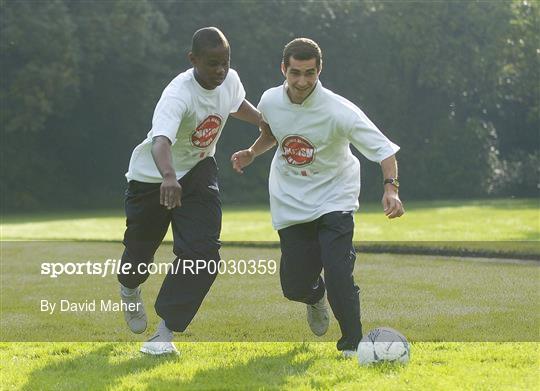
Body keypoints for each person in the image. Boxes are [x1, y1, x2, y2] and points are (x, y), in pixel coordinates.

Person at [231, 38, 404, 358]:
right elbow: (271, 132)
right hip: (290, 200)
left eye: (309, 73)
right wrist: (253, 153)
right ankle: (313, 297)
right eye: (295, 72)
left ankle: (352, 344)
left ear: (319, 70)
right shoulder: (269, 100)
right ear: (283, 68)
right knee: (294, 286)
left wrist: (390, 189)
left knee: (339, 273)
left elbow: (384, 151)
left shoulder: (340, 111)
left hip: (335, 198)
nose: (302, 81)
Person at [118, 27, 265, 355]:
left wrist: (264, 123)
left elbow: (236, 103)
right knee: (139, 257)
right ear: (193, 59)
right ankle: (129, 290)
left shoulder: (229, 80)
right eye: (212, 63)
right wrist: (169, 177)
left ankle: (163, 333)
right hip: (152, 178)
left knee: (204, 255)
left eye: (225, 62)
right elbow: (160, 142)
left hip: (198, 170)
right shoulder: (178, 95)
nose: (220, 70)